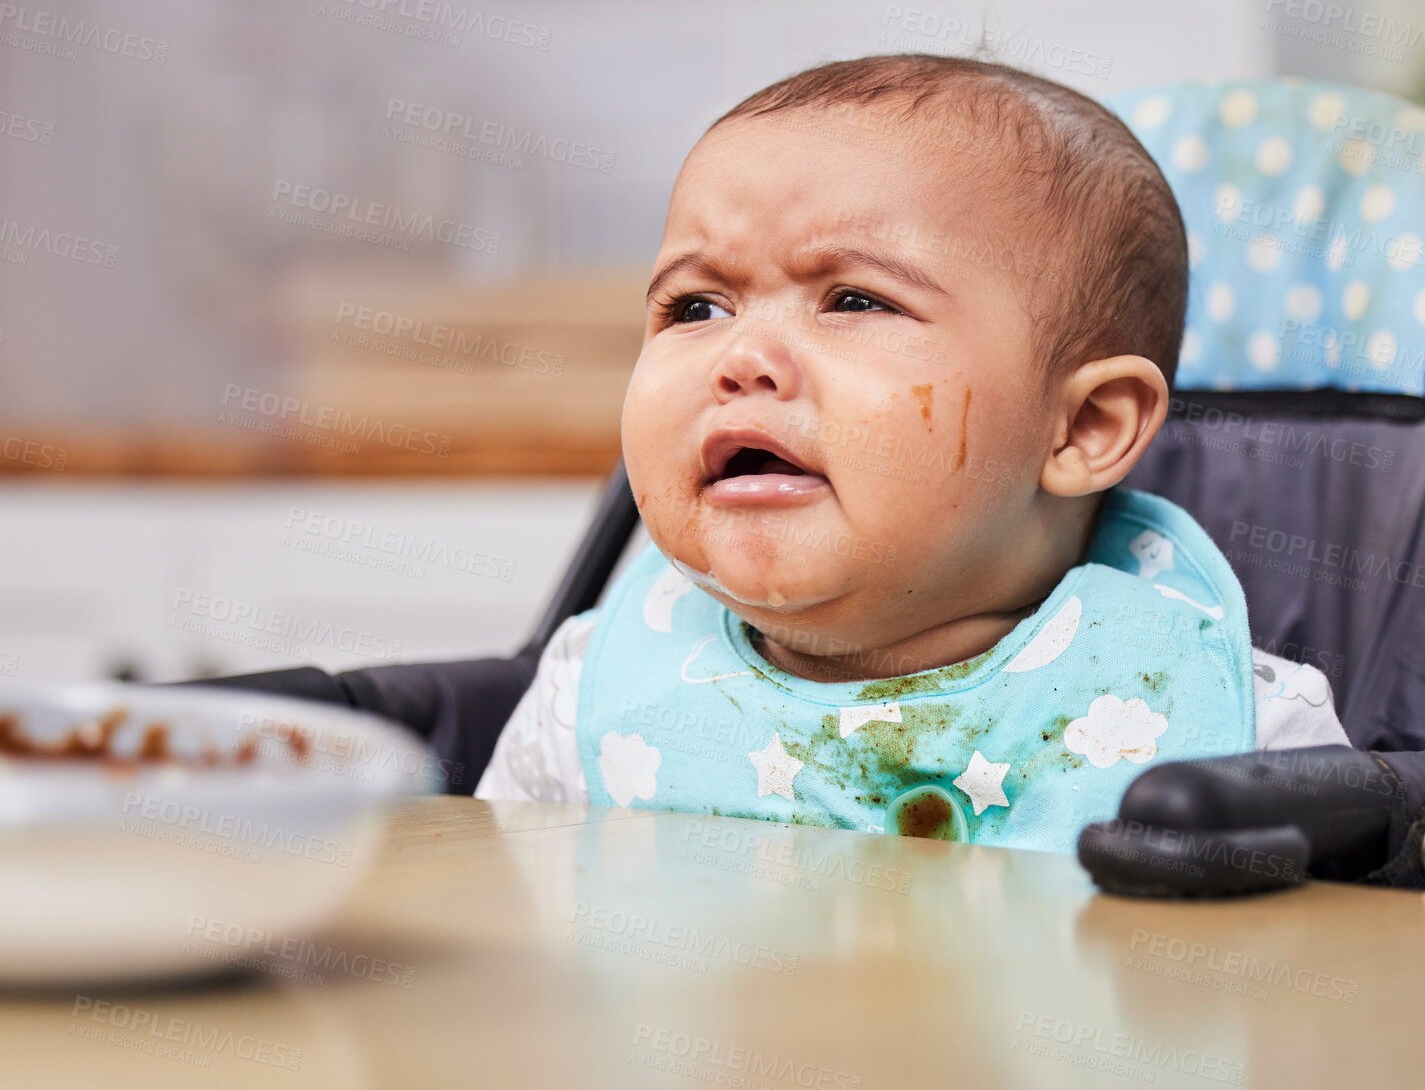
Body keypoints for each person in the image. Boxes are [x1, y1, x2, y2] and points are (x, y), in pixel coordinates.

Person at [477, 53, 1347, 851]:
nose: (741, 359)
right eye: (695, 308)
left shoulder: (1234, 732)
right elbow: (508, 978)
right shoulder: (590, 699)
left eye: (854, 300)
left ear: (1084, 429)